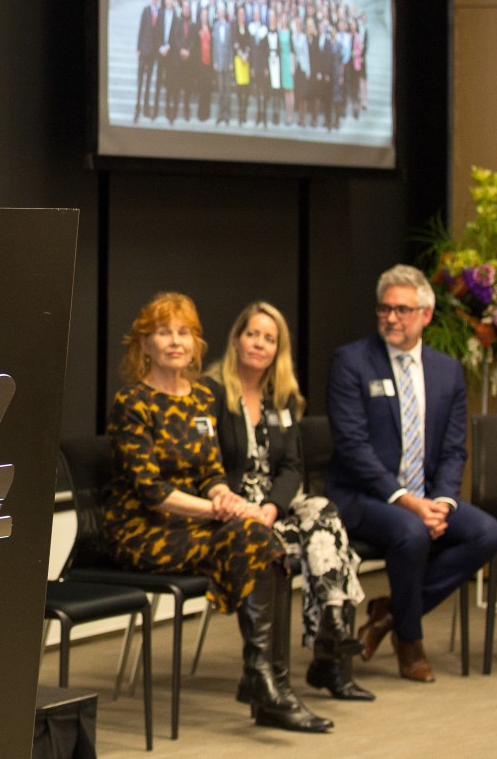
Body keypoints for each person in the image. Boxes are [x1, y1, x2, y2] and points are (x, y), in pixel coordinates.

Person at [104, 292, 332, 733]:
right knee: (257, 540)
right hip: (140, 530)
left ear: (196, 343)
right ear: (144, 345)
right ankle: (266, 683)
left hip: (191, 524)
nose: (175, 341)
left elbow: (210, 471)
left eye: (184, 332)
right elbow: (152, 492)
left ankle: (267, 681)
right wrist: (215, 509)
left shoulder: (199, 399)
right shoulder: (132, 403)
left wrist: (227, 497)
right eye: (163, 333)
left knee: (265, 538)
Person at [326, 266, 497, 683]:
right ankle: (410, 639)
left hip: (426, 496)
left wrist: (441, 501)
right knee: (412, 531)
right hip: (364, 496)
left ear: (425, 314)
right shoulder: (351, 362)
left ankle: (390, 613)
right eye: (384, 309)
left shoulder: (447, 371)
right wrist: (406, 500)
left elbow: (454, 448)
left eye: (402, 310)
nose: (391, 318)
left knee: (486, 534)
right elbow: (353, 448)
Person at [202, 302, 373, 702]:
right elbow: (205, 462)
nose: (259, 344)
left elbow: (293, 467)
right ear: (236, 339)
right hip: (233, 513)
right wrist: (251, 508)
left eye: (269, 338)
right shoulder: (210, 393)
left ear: (279, 349)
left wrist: (274, 507)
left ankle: (331, 632)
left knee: (324, 516)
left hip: (273, 508)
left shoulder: (281, 399)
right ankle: (330, 648)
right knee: (328, 543)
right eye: (252, 334)